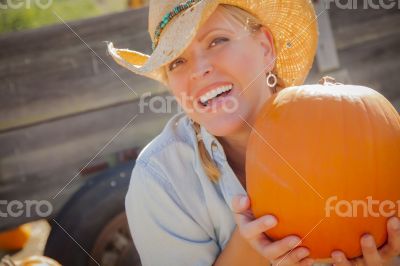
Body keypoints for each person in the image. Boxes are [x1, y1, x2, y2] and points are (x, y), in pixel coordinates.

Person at [106, 0, 400, 265]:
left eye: (216, 40)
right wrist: (254, 248)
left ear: (265, 47)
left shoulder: (353, 129)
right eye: (177, 61)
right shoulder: (161, 178)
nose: (199, 69)